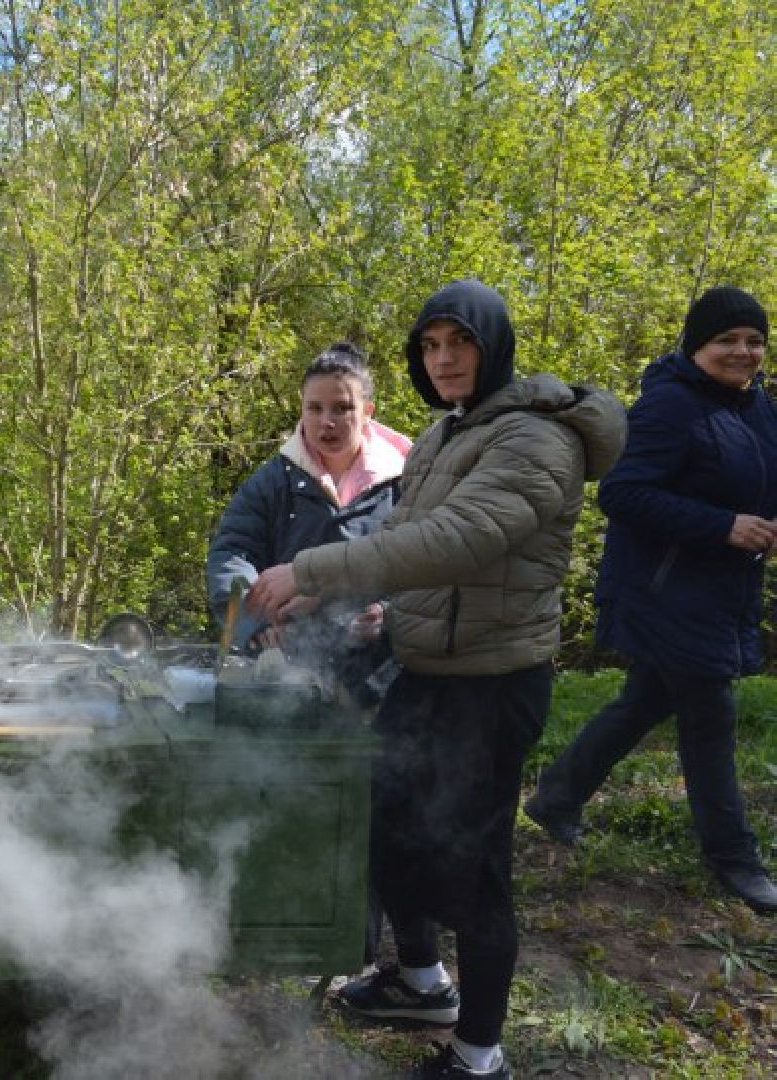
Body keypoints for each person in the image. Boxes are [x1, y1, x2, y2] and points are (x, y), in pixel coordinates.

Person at [247, 280, 626, 1080]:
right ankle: (419, 983)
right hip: (426, 670)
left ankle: (478, 1055)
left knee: (476, 869)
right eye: (429, 345)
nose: (443, 359)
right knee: (385, 823)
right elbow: (407, 543)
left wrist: (308, 564)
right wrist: (333, 592)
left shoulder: (535, 441)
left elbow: (456, 542)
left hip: (490, 686)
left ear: (493, 347)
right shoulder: (450, 431)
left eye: (459, 343)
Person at [525, 287, 777, 915]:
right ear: (697, 347)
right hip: (665, 591)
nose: (743, 352)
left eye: (754, 341)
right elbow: (624, 493)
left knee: (647, 699)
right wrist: (723, 525)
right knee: (709, 713)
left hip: (718, 589)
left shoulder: (757, 406)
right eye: (728, 341)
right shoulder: (669, 406)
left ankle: (556, 796)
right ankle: (734, 858)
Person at [207, 341, 411, 664]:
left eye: (341, 408)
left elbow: (428, 567)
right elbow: (231, 556)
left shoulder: (406, 481)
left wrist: (390, 613)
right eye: (314, 408)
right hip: (286, 670)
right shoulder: (272, 482)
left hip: (384, 674)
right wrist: (257, 625)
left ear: (367, 412)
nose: (326, 421)